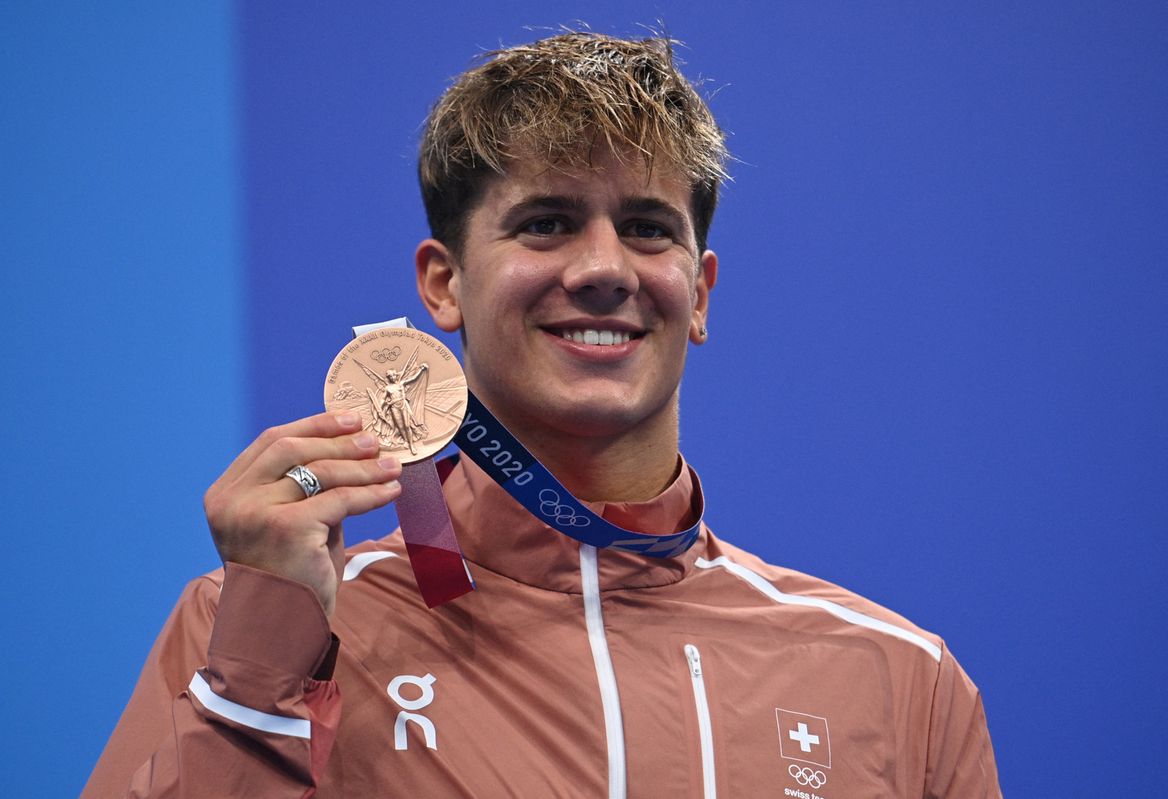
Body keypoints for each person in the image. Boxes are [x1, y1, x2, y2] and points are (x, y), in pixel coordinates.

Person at [84, 32, 1001, 798]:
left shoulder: (897, 679)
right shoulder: (255, 626)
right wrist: (262, 668)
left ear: (701, 293)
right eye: (547, 223)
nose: (605, 266)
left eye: (648, 227)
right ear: (445, 283)